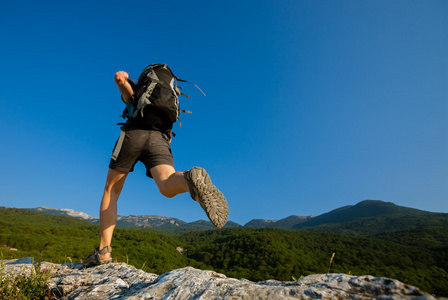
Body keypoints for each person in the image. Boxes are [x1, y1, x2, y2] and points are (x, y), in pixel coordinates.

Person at [83, 67, 228, 267]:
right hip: (160, 138)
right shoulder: (165, 101)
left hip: (133, 135)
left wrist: (122, 82)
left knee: (112, 189)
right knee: (167, 183)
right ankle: (189, 181)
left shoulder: (139, 94)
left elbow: (127, 94)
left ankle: (104, 251)